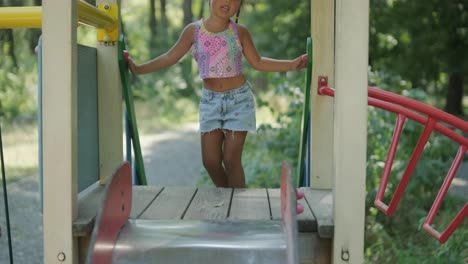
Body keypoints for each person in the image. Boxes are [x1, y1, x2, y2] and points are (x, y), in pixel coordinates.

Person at [127, 0, 308, 188]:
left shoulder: (240, 32)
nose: (228, 2)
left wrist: (291, 64)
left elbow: (258, 62)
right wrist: (139, 69)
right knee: (211, 162)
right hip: (210, 102)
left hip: (239, 101)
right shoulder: (193, 31)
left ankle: (236, 208)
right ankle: (227, 198)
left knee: (231, 159)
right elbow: (169, 57)